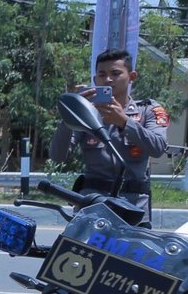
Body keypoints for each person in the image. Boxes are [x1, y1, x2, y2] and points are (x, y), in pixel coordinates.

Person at [49, 48, 170, 224]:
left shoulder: (148, 111)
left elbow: (158, 147)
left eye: (115, 73)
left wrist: (124, 122)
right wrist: (70, 113)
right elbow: (58, 156)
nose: (108, 79)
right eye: (102, 74)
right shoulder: (86, 113)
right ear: (95, 80)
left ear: (132, 76)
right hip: (92, 206)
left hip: (133, 208)